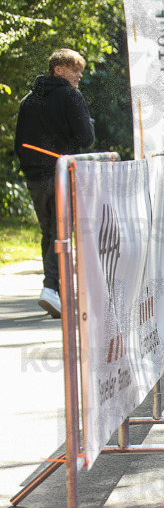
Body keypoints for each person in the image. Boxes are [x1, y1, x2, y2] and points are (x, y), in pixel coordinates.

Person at [14, 48, 95, 319]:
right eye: (75, 69)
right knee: (61, 232)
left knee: (49, 231)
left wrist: (30, 167)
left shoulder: (28, 100)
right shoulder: (70, 96)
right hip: (63, 172)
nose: (79, 74)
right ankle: (50, 288)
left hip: (35, 176)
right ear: (58, 69)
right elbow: (85, 138)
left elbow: (18, 144)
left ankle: (56, 293)